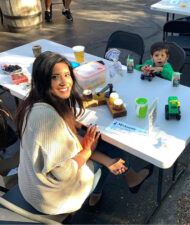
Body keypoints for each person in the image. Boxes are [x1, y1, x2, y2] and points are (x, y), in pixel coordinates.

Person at [15, 51, 153, 215]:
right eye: (54, 77)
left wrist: (79, 134)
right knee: (109, 148)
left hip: (31, 184)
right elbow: (62, 172)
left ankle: (119, 180)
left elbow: (66, 141)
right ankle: (108, 188)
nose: (64, 82)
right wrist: (88, 151)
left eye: (67, 75)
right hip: (52, 198)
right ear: (42, 80)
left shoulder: (33, 102)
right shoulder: (47, 118)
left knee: (95, 140)